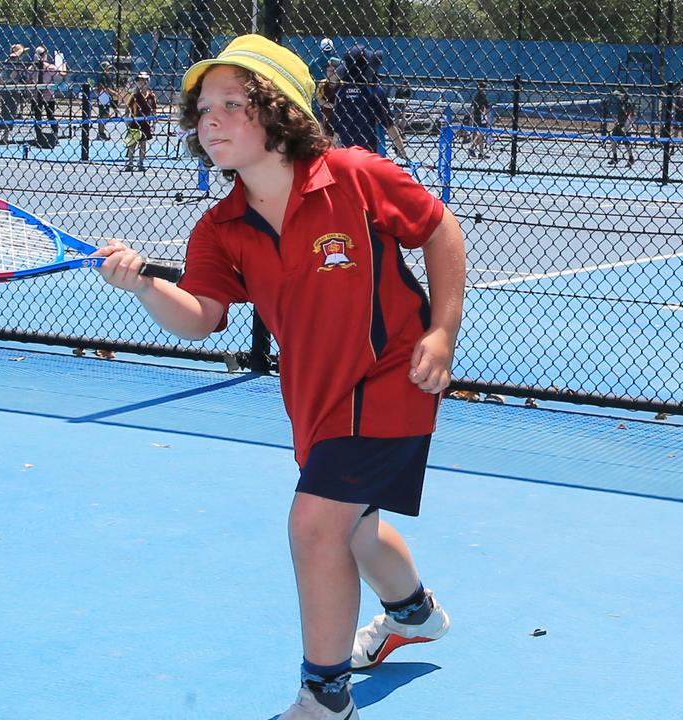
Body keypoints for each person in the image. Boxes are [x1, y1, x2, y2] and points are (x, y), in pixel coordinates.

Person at [92, 34, 463, 720]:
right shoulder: (220, 227)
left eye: (233, 104)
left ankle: (323, 698)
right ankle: (411, 614)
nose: (211, 118)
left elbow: (440, 231)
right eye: (204, 106)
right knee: (352, 526)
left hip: (393, 381)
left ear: (280, 113)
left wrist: (441, 331)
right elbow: (201, 317)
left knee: (314, 525)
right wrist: (141, 285)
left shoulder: (357, 176)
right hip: (314, 400)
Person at [332, 44, 407, 161]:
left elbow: (336, 132)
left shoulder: (341, 92)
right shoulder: (374, 91)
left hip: (346, 155)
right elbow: (389, 125)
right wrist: (403, 152)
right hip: (368, 155)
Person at [121, 71, 156, 172]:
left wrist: (154, 123)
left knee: (143, 143)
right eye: (139, 81)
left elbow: (153, 111)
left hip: (146, 123)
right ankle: (130, 162)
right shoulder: (134, 95)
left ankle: (141, 162)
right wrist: (127, 119)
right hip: (135, 122)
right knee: (132, 143)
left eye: (143, 81)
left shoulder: (151, 96)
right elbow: (128, 108)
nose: (141, 84)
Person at [0, 43, 28, 144]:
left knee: (10, 111)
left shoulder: (16, 63)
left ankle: (4, 135)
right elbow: (10, 77)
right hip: (9, 89)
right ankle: (0, 135)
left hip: (13, 89)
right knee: (6, 111)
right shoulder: (11, 62)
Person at [30, 46, 62, 148]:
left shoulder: (49, 68)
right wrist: (63, 64)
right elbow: (62, 73)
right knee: (39, 116)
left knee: (48, 116)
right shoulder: (32, 68)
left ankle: (54, 136)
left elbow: (60, 74)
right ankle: (40, 137)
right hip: (37, 96)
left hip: (47, 97)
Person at [314, 57, 341, 143]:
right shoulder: (323, 83)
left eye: (332, 71)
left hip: (339, 121)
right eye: (328, 70)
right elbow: (319, 100)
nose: (329, 73)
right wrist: (333, 106)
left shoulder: (342, 84)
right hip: (326, 118)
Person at [608, 87, 635, 168]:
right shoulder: (620, 103)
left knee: (626, 143)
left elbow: (631, 115)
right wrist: (616, 120)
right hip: (620, 125)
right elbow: (619, 114)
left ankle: (631, 158)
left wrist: (628, 125)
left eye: (619, 94)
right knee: (612, 139)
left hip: (626, 125)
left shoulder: (628, 103)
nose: (618, 96)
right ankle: (615, 157)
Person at [468, 80, 491, 159]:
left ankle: (481, 153)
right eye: (483, 88)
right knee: (481, 134)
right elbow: (487, 108)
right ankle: (471, 148)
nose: (485, 90)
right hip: (480, 117)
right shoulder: (482, 97)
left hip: (477, 116)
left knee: (481, 135)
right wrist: (488, 119)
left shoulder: (476, 96)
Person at [95, 59, 115, 140]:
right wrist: (114, 93)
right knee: (103, 115)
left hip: (106, 99)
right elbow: (106, 89)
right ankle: (101, 133)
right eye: (108, 69)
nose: (109, 71)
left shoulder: (107, 78)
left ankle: (101, 131)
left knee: (105, 115)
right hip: (102, 99)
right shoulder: (102, 77)